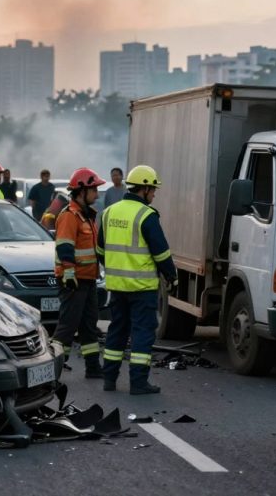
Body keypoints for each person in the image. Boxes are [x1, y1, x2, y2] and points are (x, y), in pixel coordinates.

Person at [97, 165, 178, 395]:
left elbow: (100, 250)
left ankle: (109, 379)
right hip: (142, 288)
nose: (153, 194)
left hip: (117, 286)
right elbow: (161, 253)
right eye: (152, 190)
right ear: (143, 189)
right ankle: (138, 383)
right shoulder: (146, 215)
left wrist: (116, 268)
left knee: (117, 330)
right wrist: (171, 276)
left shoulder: (109, 213)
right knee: (143, 333)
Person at [52, 168, 106, 379]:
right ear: (82, 190)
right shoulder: (69, 216)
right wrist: (69, 274)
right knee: (67, 327)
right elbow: (65, 247)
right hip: (73, 280)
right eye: (94, 190)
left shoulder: (86, 217)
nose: (97, 195)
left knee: (88, 326)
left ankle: (93, 367)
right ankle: (53, 367)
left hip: (87, 279)